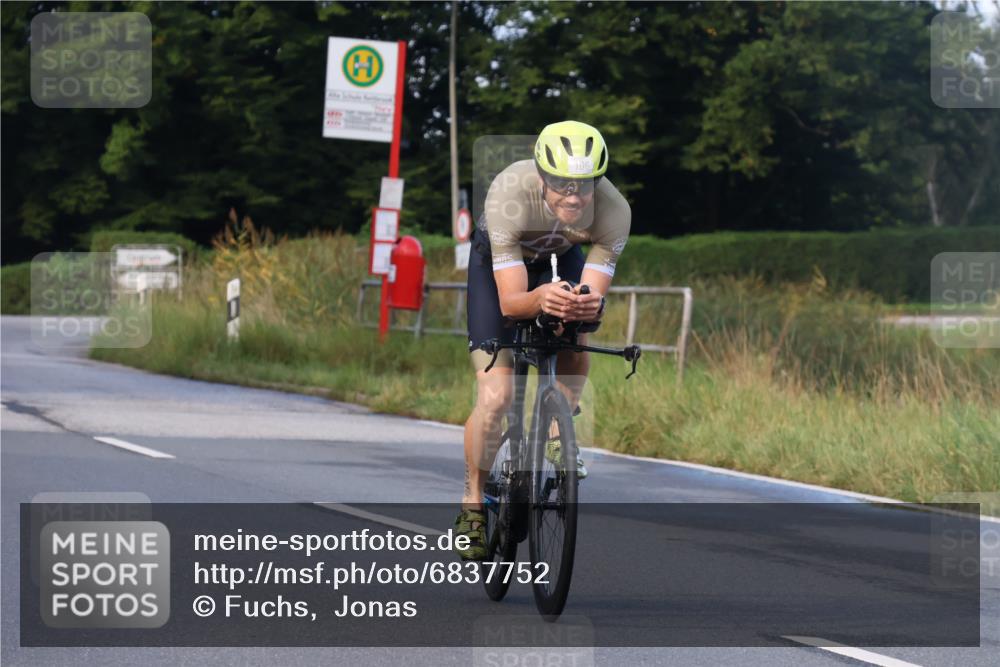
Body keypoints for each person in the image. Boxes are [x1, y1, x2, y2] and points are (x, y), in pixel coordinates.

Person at [455, 120, 631, 560]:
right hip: (498, 267)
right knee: (496, 396)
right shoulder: (509, 193)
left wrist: (585, 306)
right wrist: (540, 298)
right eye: (562, 185)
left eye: (585, 186)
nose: (573, 196)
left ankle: (558, 428)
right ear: (541, 176)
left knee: (576, 330)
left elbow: (593, 298)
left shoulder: (615, 212)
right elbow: (512, 304)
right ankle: (473, 501)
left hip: (560, 256)